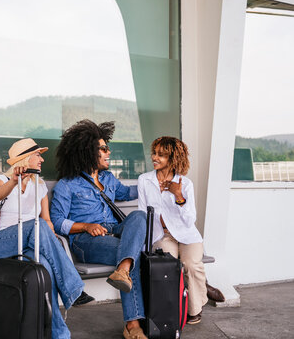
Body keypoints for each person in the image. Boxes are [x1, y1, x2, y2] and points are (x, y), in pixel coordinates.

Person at [50, 120, 148, 339]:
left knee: (139, 216)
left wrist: (155, 181)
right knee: (134, 254)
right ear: (87, 153)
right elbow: (56, 222)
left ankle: (123, 267)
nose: (108, 152)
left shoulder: (109, 179)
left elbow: (129, 192)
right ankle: (133, 326)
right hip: (85, 241)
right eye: (103, 149)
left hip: (113, 229)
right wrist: (86, 226)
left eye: (107, 148)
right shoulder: (67, 185)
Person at [0, 138, 84, 339]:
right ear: (25, 158)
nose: (42, 159)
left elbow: (47, 220)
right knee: (38, 226)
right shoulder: (1, 180)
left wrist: (50, 239)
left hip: (27, 245)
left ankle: (60, 334)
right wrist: (14, 180)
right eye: (37, 154)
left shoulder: (41, 186)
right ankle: (74, 289)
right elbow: (0, 195)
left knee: (44, 265)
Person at [137, 136, 208, 325]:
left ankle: (194, 308)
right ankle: (172, 308)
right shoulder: (144, 180)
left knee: (191, 265)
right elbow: (143, 213)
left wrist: (178, 196)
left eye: (161, 155)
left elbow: (190, 219)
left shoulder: (185, 184)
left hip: (186, 234)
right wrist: (144, 244)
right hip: (162, 234)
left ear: (173, 158)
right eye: (154, 153)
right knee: (168, 267)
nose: (155, 157)